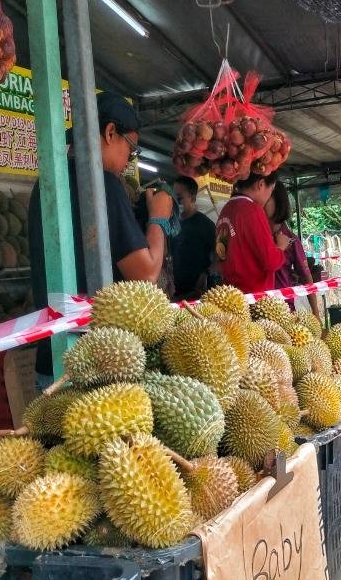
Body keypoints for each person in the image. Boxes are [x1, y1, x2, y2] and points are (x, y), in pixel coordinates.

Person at [28, 92, 173, 386]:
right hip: (95, 365)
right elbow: (145, 273)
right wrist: (159, 218)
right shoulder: (102, 184)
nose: (127, 163)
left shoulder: (45, 184)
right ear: (110, 133)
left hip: (51, 361)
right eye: (130, 151)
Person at [215, 171, 289, 294]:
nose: (269, 196)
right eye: (270, 190)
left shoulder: (226, 209)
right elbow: (271, 261)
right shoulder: (253, 211)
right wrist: (281, 247)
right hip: (254, 296)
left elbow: (220, 256)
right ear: (261, 184)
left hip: (230, 294)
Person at [265, 180, 321, 319]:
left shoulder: (291, 239)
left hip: (284, 310)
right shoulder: (257, 235)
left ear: (278, 202)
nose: (262, 200)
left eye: (268, 195)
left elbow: (306, 276)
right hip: (257, 307)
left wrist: (316, 314)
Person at [171, 176, 216, 301]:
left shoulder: (206, 225)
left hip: (199, 293)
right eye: (173, 197)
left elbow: (220, 255)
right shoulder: (172, 223)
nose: (175, 202)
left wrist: (206, 273)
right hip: (177, 291)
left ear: (193, 198)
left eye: (179, 198)